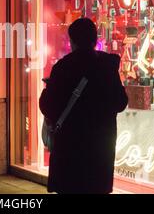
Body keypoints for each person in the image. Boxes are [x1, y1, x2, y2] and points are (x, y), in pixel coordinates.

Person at [39, 18, 128, 194]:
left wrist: (48, 89)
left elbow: (48, 106)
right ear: (95, 39)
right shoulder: (107, 67)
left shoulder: (63, 67)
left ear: (72, 41)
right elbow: (120, 103)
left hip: (70, 147)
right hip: (100, 147)